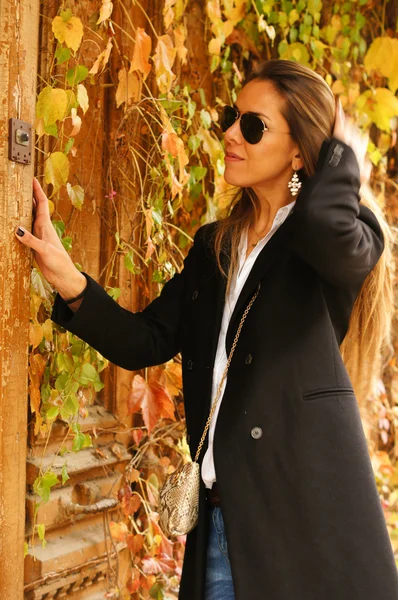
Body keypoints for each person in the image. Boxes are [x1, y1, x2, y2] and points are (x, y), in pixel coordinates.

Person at [16, 60, 398, 600]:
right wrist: (69, 278)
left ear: (298, 150)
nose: (229, 134)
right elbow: (144, 340)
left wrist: (339, 156)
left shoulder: (332, 245)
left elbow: (326, 224)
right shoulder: (215, 245)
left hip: (301, 532)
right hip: (219, 529)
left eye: (253, 125)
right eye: (230, 117)